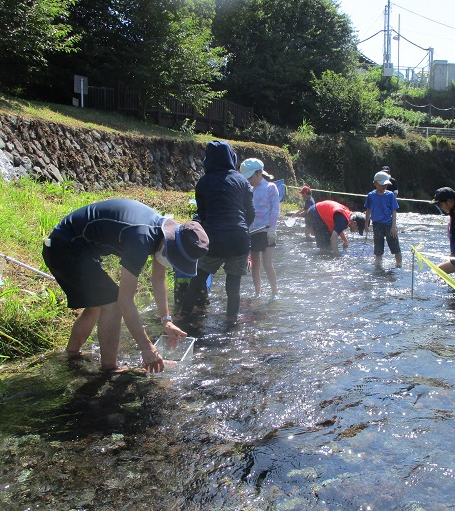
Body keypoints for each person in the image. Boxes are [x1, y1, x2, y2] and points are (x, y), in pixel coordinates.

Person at [42, 198, 209, 372]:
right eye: (175, 260)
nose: (173, 265)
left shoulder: (165, 234)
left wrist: (166, 320)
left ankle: (72, 355)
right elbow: (125, 301)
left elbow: (158, 279)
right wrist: (146, 346)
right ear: (170, 245)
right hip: (63, 248)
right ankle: (109, 369)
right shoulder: (142, 237)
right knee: (112, 302)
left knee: (97, 305)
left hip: (79, 248)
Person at [180, 140, 255, 322]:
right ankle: (231, 320)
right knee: (233, 286)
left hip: (214, 238)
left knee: (198, 280)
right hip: (239, 239)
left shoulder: (204, 182)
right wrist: (241, 228)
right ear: (231, 157)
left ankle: (183, 316)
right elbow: (251, 213)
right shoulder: (241, 181)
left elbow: (203, 215)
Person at [240, 158, 279, 300]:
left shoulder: (270, 187)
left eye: (251, 177)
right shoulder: (249, 190)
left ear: (260, 172)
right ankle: (258, 292)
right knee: (255, 263)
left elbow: (275, 210)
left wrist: (273, 229)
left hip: (267, 230)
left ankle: (274, 293)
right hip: (252, 231)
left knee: (267, 262)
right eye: (247, 178)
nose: (249, 180)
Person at [364, 171, 402, 268]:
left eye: (386, 184)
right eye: (382, 184)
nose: (384, 186)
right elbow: (368, 211)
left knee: (396, 248)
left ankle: (399, 265)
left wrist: (394, 227)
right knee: (378, 250)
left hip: (389, 225)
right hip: (377, 225)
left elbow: (394, 211)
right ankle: (378, 268)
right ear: (375, 183)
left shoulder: (390, 195)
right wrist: (366, 225)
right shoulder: (371, 196)